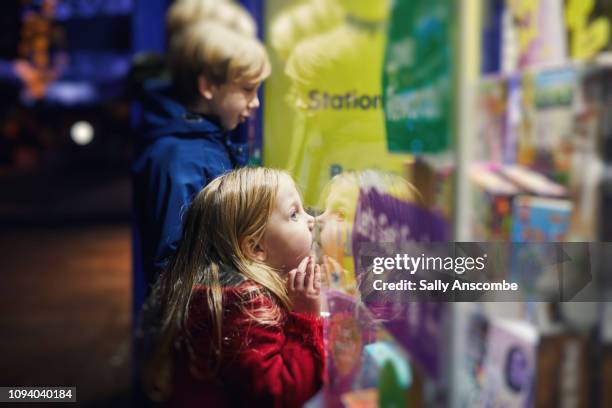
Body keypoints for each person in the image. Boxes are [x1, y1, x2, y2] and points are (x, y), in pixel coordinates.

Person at [143, 167, 324, 407]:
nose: (311, 220)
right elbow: (281, 395)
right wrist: (305, 318)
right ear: (256, 248)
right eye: (294, 214)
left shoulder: (216, 290)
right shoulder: (242, 306)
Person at [132, 21, 271, 296]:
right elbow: (178, 267)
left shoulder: (208, 143)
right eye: (246, 89)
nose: (255, 102)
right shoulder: (180, 160)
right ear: (208, 86)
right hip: (203, 326)